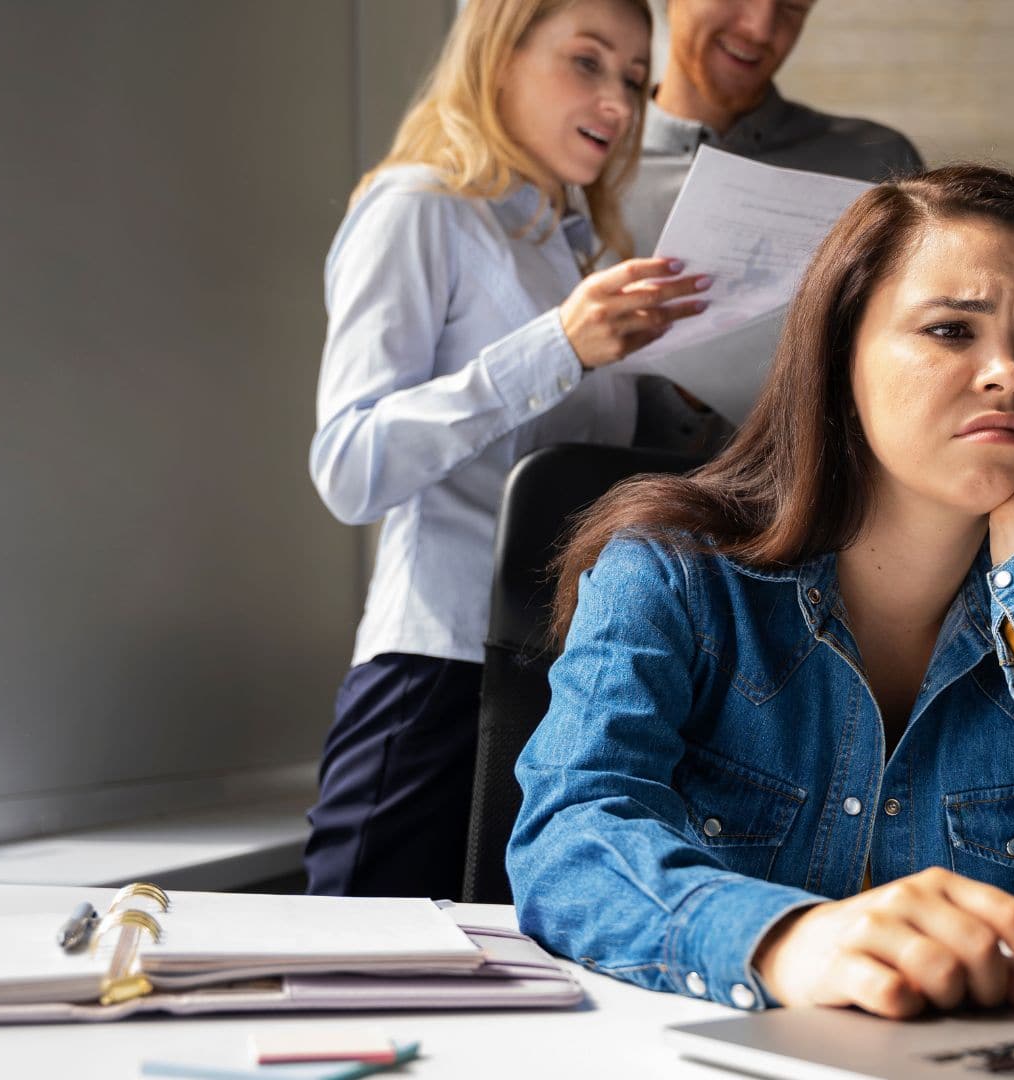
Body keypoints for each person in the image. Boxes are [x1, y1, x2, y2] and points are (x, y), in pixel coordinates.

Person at [509, 165, 1014, 1017]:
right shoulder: (670, 572)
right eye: (950, 330)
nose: (1007, 372)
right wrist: (785, 939)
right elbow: (568, 838)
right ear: (839, 359)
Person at [304, 0, 715, 900]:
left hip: (563, 683)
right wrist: (558, 346)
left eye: (636, 80)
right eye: (588, 61)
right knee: (355, 988)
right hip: (436, 675)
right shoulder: (418, 209)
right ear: (498, 57)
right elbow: (349, 465)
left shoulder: (581, 256)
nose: (618, 101)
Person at [623, 0, 926, 257]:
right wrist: (574, 328)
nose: (760, 30)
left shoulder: (878, 165)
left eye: (792, 4)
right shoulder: (584, 170)